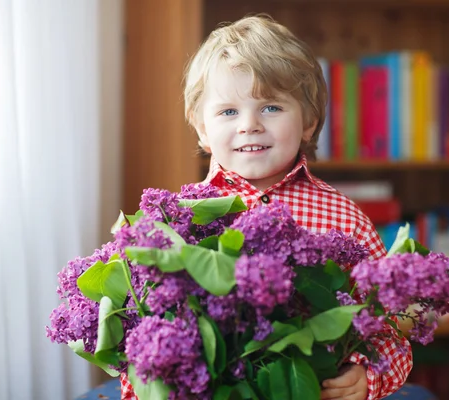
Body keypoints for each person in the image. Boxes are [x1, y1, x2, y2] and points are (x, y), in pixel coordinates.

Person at [121, 14, 413, 400]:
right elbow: (140, 333)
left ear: (308, 121)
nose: (249, 125)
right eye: (228, 111)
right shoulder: (178, 219)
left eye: (271, 107)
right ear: (202, 128)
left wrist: (366, 377)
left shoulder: (345, 218)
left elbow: (388, 325)